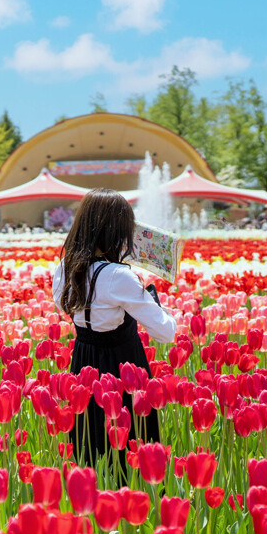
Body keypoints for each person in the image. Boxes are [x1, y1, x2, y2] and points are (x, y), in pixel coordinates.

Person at [52, 189, 177, 472]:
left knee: (90, 441)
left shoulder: (63, 268)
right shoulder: (118, 276)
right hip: (123, 369)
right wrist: (153, 298)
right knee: (127, 447)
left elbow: (67, 308)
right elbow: (165, 332)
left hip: (83, 363)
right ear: (116, 231)